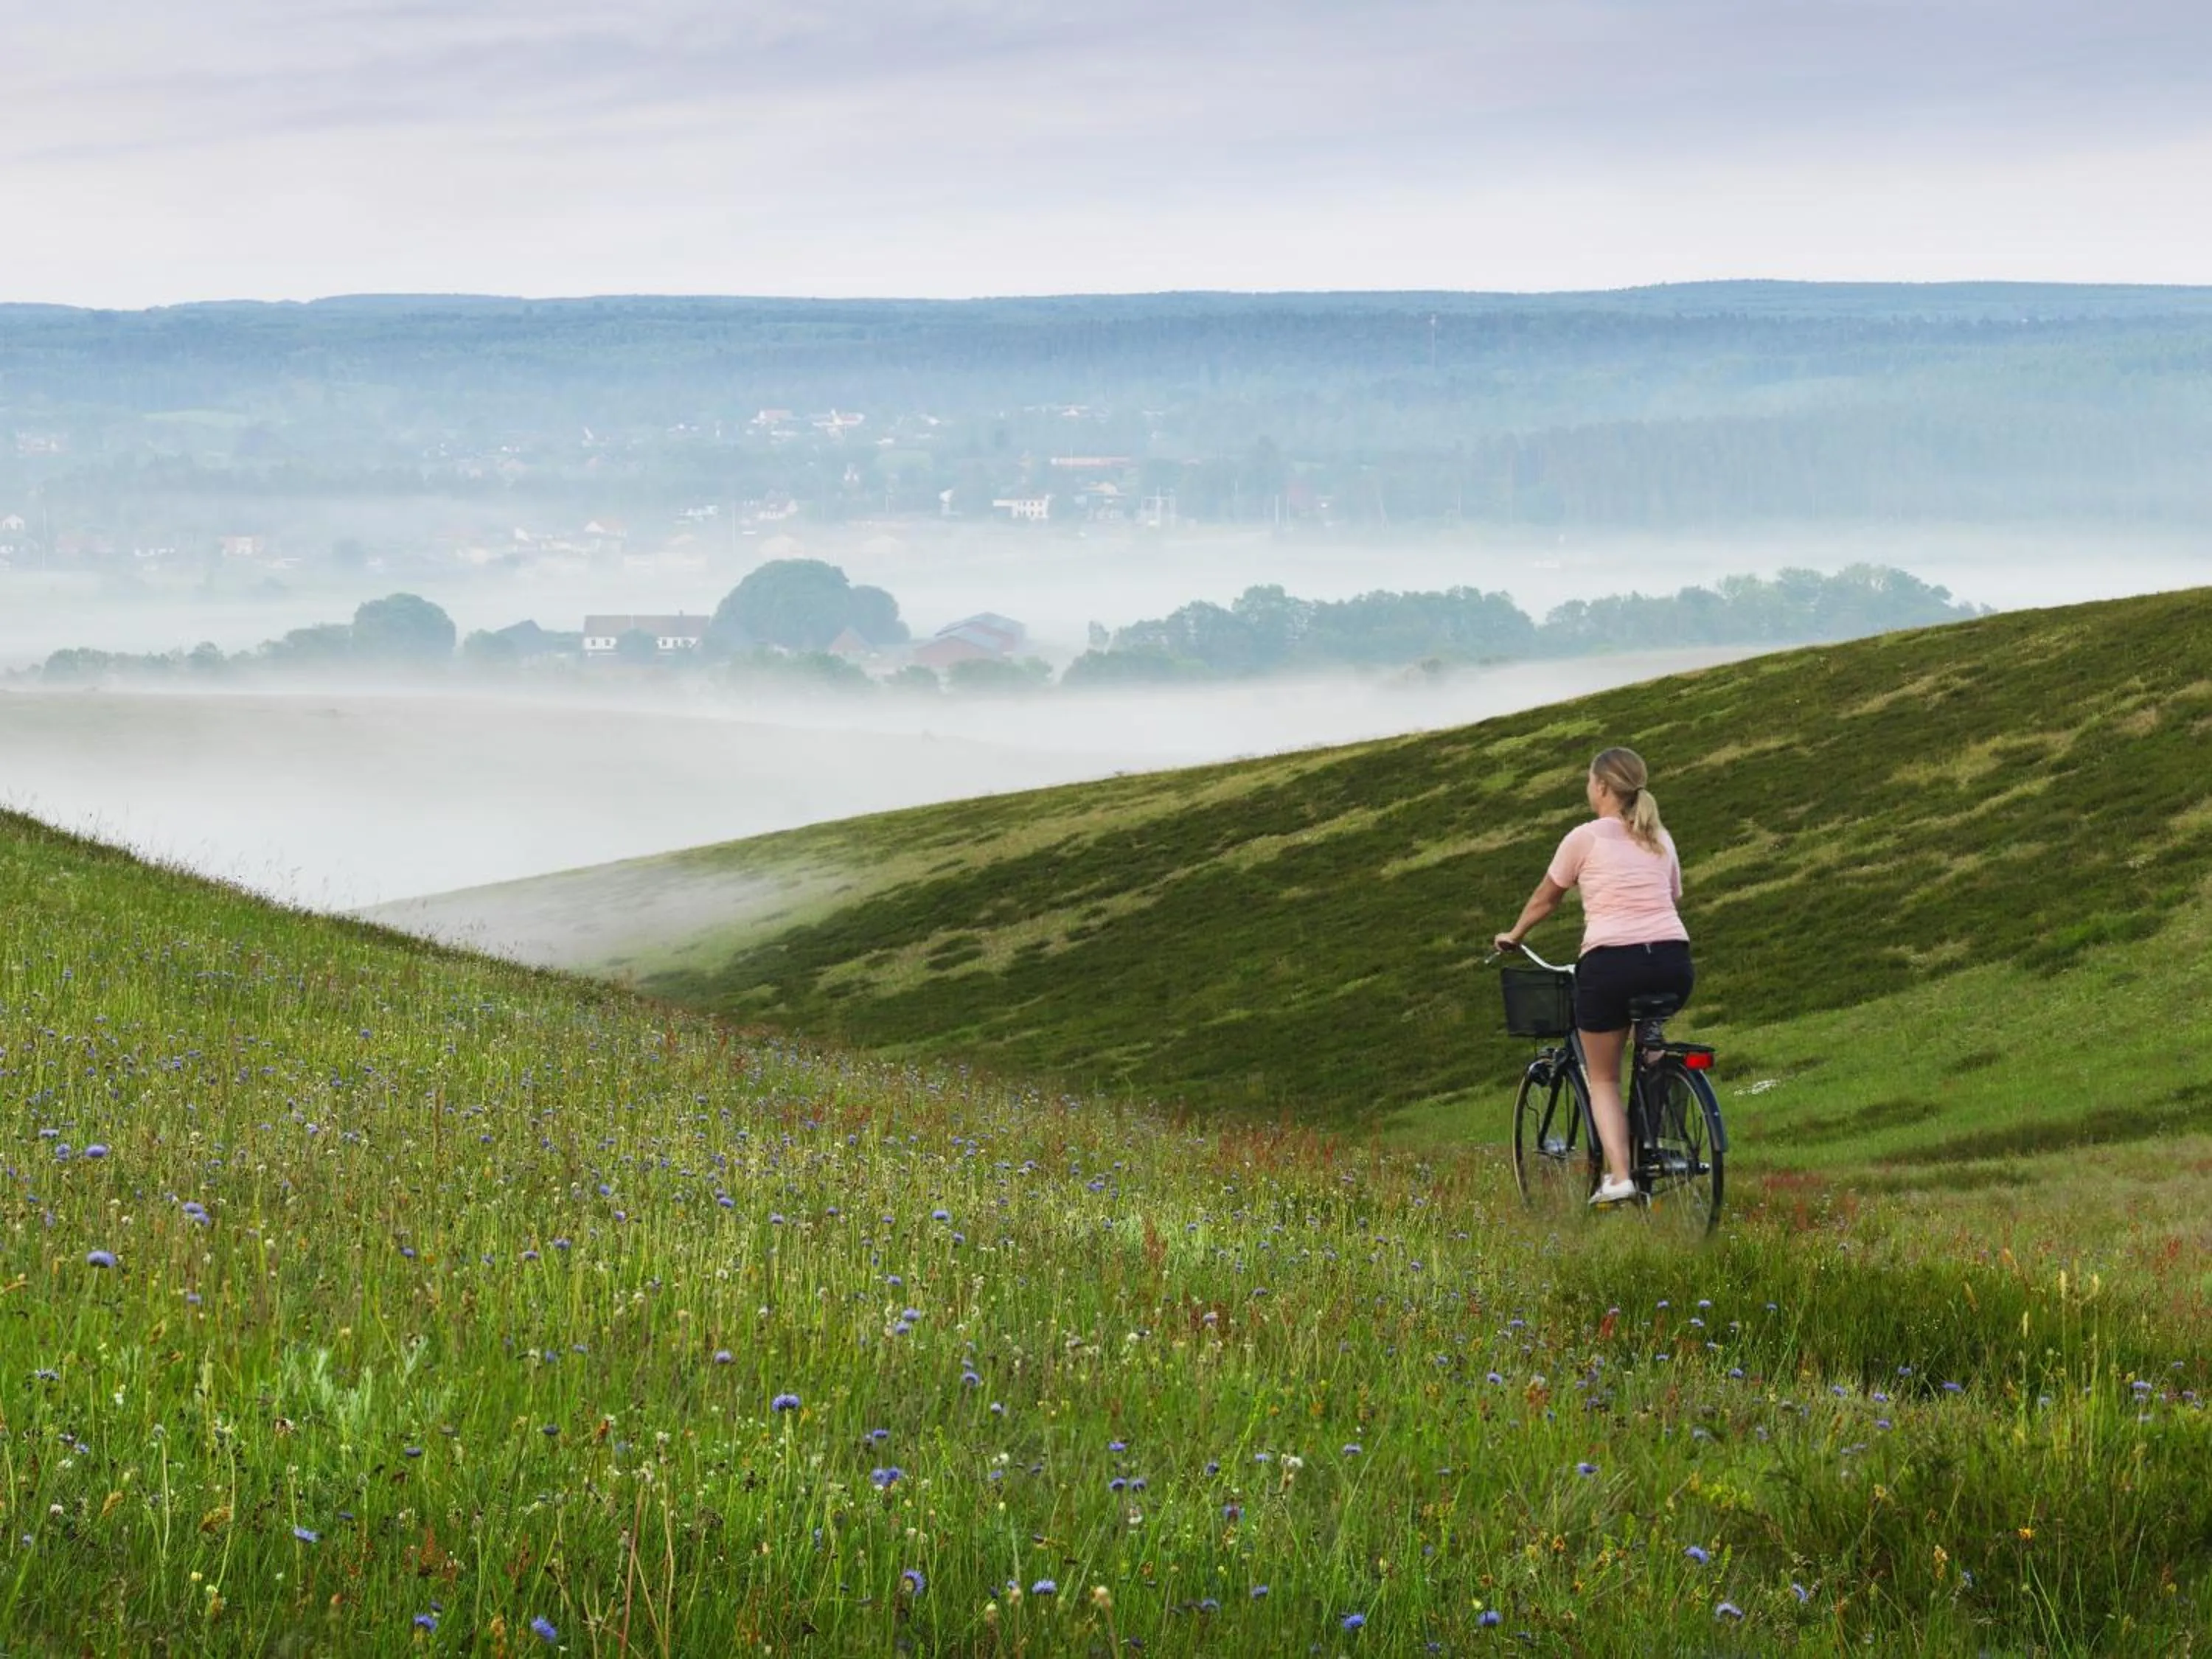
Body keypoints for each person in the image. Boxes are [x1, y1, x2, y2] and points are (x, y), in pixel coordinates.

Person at [1493, 747, 1693, 1206]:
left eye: (1589, 782)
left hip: (1611, 965)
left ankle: (1621, 1176)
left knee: (1602, 1077)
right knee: (1649, 1044)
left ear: (1602, 786)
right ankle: (1658, 1082)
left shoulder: (1583, 838)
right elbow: (1672, 896)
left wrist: (1515, 934)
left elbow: (1547, 898)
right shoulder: (1660, 837)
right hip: (1673, 962)